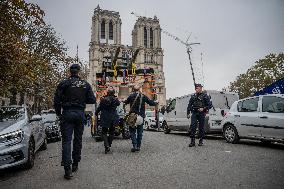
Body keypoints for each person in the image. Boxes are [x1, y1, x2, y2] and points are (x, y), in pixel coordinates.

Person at [54, 64, 96, 180]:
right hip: (79, 114)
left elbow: (56, 100)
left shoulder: (63, 83)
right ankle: (75, 163)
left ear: (69, 72)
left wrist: (59, 113)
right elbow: (92, 99)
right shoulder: (85, 85)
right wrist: (82, 99)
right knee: (78, 140)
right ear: (79, 72)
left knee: (66, 141)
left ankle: (67, 169)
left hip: (67, 113)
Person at [124, 85, 158, 152]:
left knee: (132, 132)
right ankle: (138, 146)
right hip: (140, 117)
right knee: (140, 132)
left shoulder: (131, 96)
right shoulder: (143, 96)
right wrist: (156, 102)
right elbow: (151, 103)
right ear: (139, 89)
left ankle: (135, 145)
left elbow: (125, 102)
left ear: (133, 90)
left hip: (133, 117)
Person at [95, 87, 120, 154]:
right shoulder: (115, 99)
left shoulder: (103, 99)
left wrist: (96, 113)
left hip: (105, 117)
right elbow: (118, 103)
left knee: (104, 132)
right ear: (114, 93)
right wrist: (115, 97)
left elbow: (99, 108)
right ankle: (109, 144)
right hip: (113, 117)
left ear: (107, 93)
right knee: (112, 132)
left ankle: (106, 145)